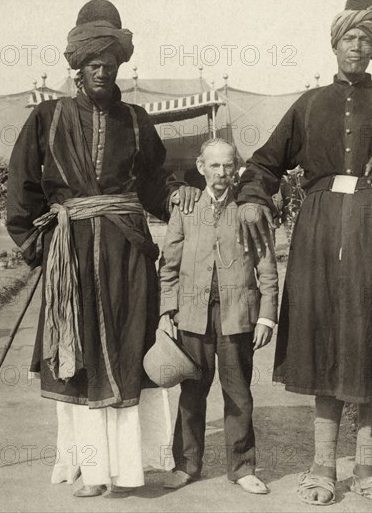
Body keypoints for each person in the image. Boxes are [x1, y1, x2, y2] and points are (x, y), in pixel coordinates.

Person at [236, 0, 372, 505]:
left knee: (371, 344)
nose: (358, 46)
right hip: (322, 237)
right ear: (336, 41)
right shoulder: (308, 106)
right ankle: (323, 468)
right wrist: (253, 197)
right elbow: (262, 162)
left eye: (368, 40)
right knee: (326, 342)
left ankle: (369, 470)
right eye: (351, 38)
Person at [6, 0, 200, 497]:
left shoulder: (136, 120)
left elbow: (157, 184)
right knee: (82, 358)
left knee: (131, 351)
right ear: (78, 64)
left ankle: (131, 470)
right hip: (70, 254)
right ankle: (92, 472)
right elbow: (22, 189)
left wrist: (184, 202)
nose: (102, 70)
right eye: (93, 63)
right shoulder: (47, 117)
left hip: (128, 256)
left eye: (110, 64)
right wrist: (40, 248)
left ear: (119, 66)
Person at [158, 138, 278, 494]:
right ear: (200, 167)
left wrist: (266, 317)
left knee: (238, 394)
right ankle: (186, 465)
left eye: (228, 166)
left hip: (237, 317)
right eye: (214, 166)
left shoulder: (249, 210)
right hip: (192, 317)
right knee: (191, 394)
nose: (222, 173)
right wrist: (167, 311)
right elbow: (169, 265)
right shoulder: (186, 207)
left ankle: (242, 468)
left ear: (235, 168)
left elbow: (267, 267)